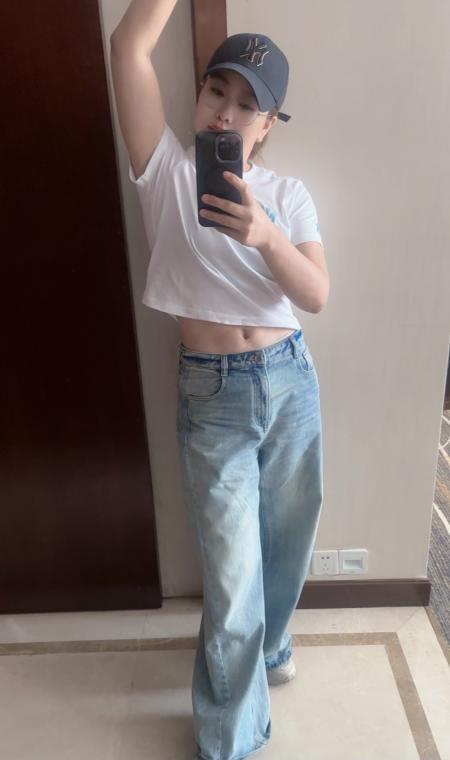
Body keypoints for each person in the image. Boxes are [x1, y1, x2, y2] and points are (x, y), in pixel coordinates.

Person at [110, 2, 329, 759]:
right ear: (198, 95)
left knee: (289, 538)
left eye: (247, 106)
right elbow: (128, 48)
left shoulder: (290, 196)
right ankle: (230, 742)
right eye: (216, 91)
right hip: (212, 393)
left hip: (290, 381)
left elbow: (316, 294)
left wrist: (265, 235)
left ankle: (271, 649)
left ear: (267, 126)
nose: (226, 113)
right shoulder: (166, 171)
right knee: (232, 578)